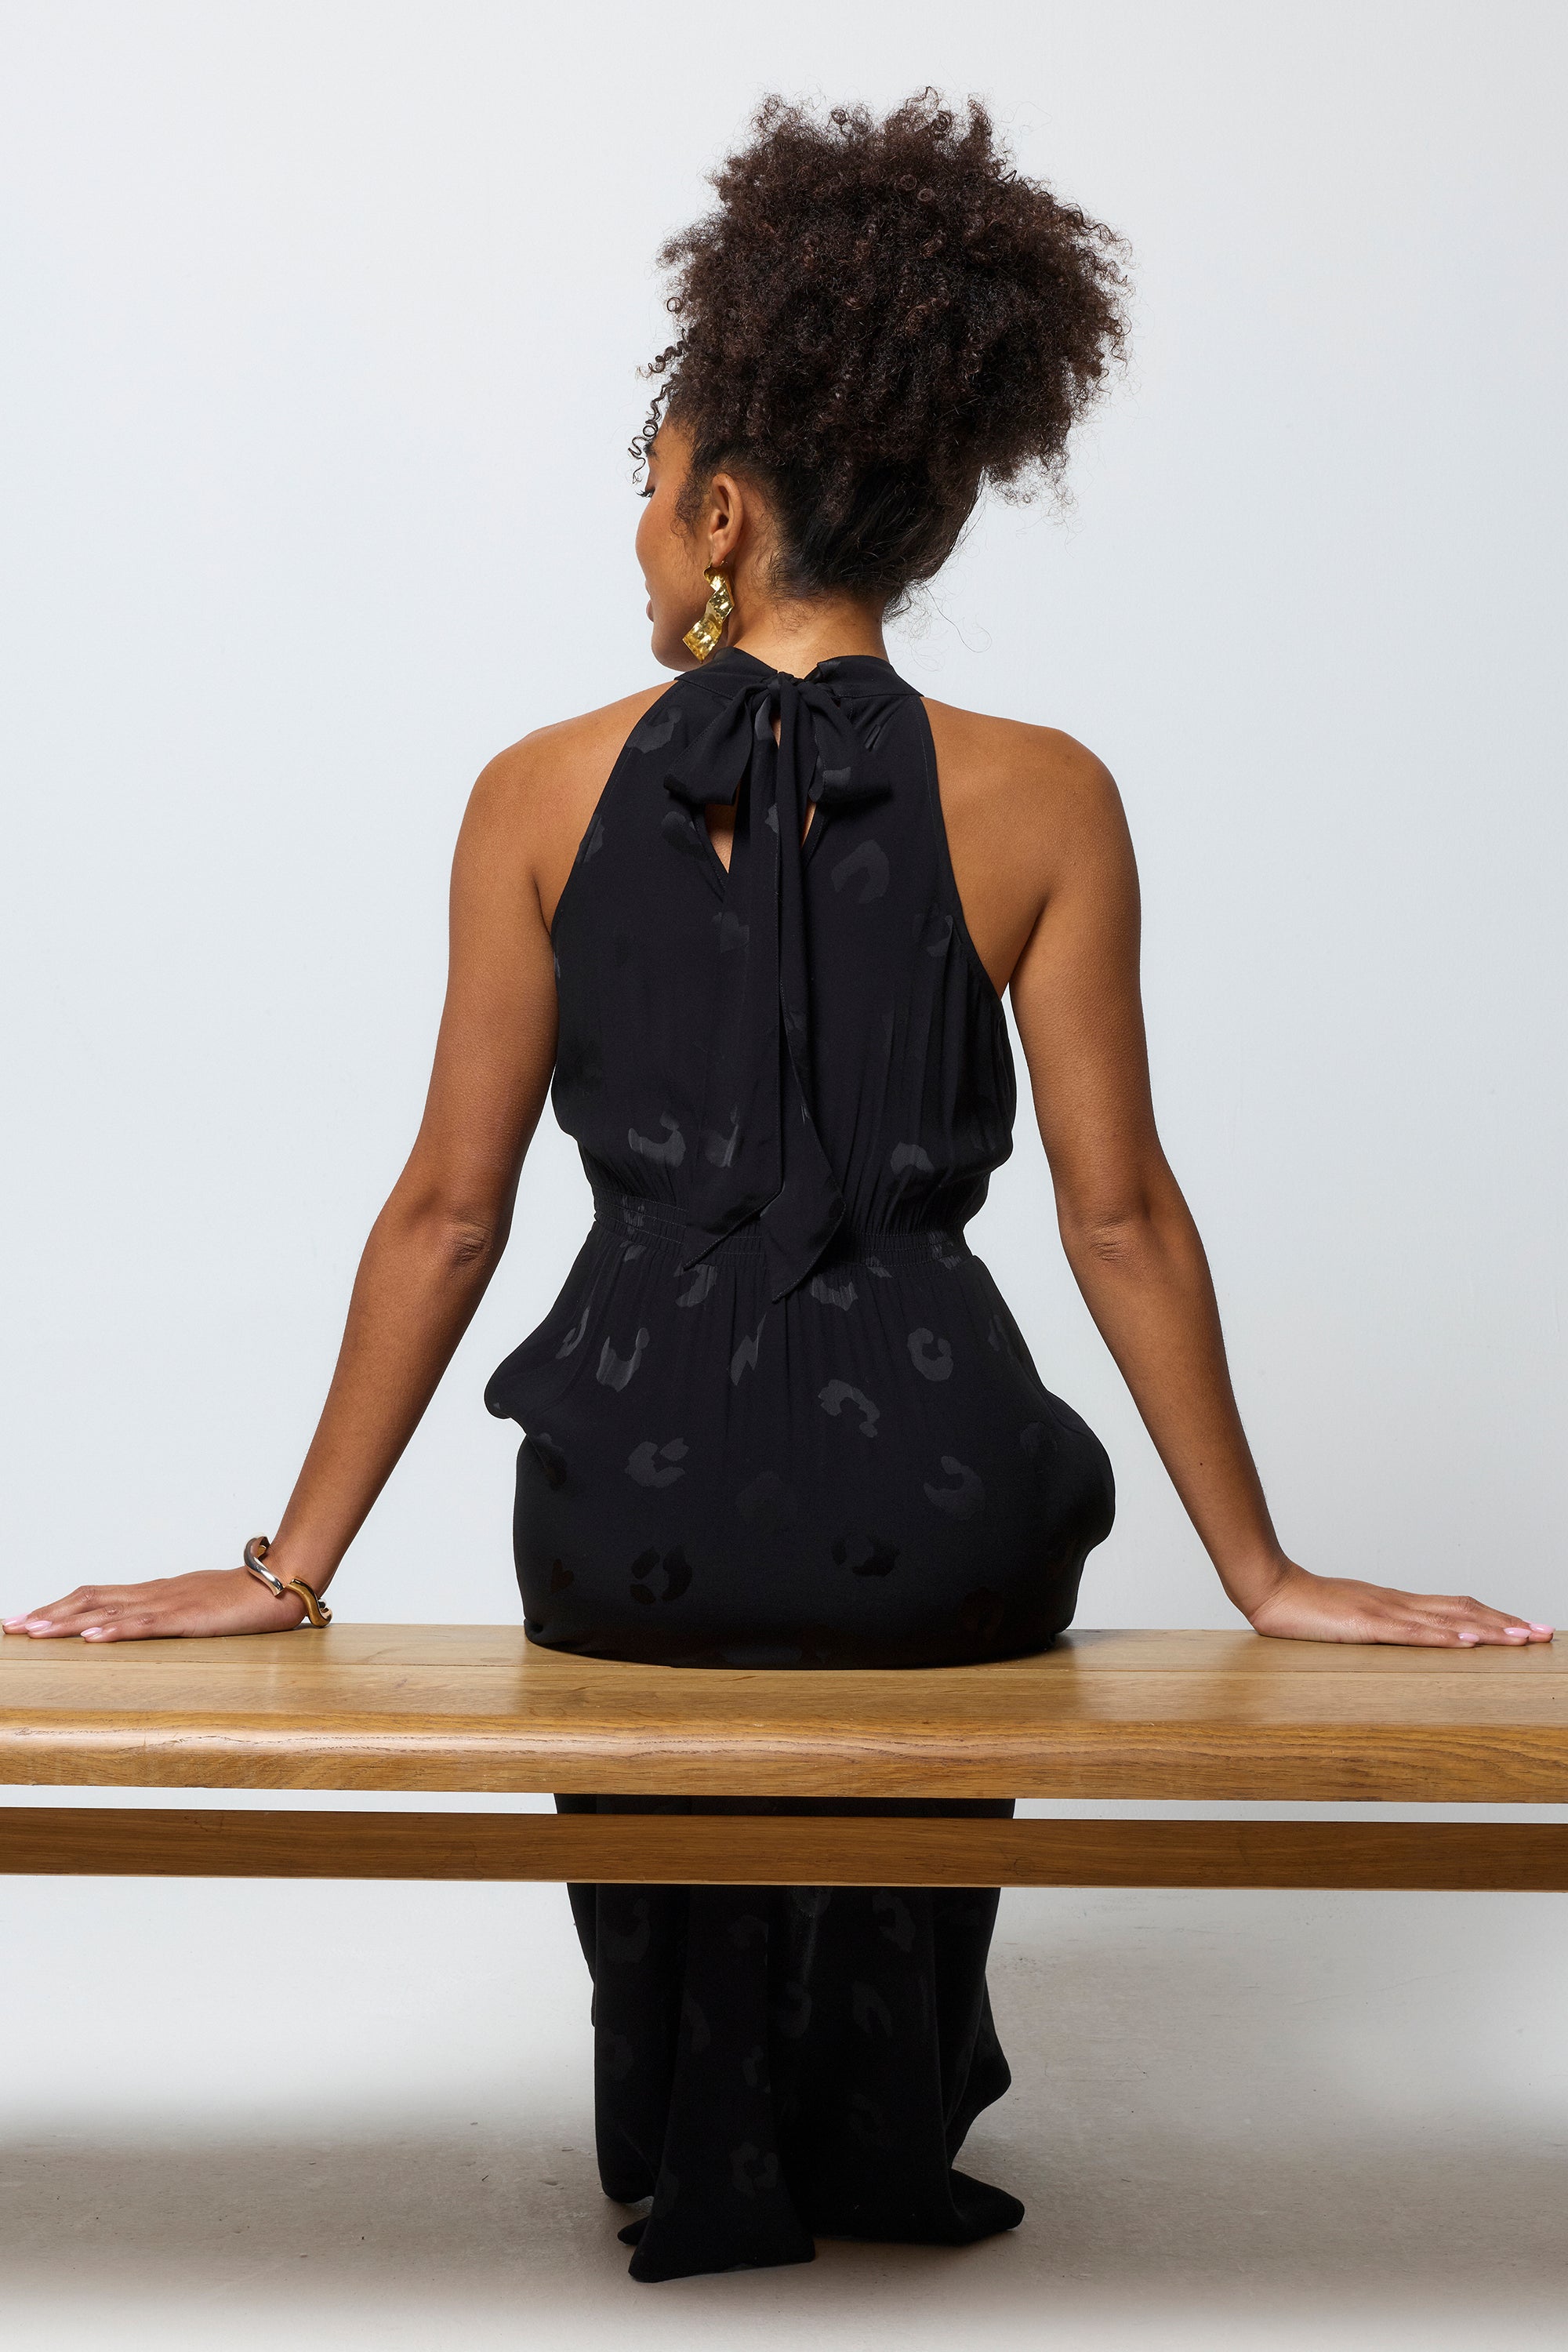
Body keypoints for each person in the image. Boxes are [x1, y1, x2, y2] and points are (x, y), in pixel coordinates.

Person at [6, 92, 1550, 2281]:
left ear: (723, 510)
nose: (639, 535)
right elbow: (1121, 1215)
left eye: (649, 491)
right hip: (938, 1505)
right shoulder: (1048, 797)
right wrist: (1264, 1569)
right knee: (910, 1573)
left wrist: (288, 1567)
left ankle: (692, 2132)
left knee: (666, 1584)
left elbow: (449, 1214)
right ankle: (875, 2117)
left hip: (631, 1508)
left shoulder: (535, 793)